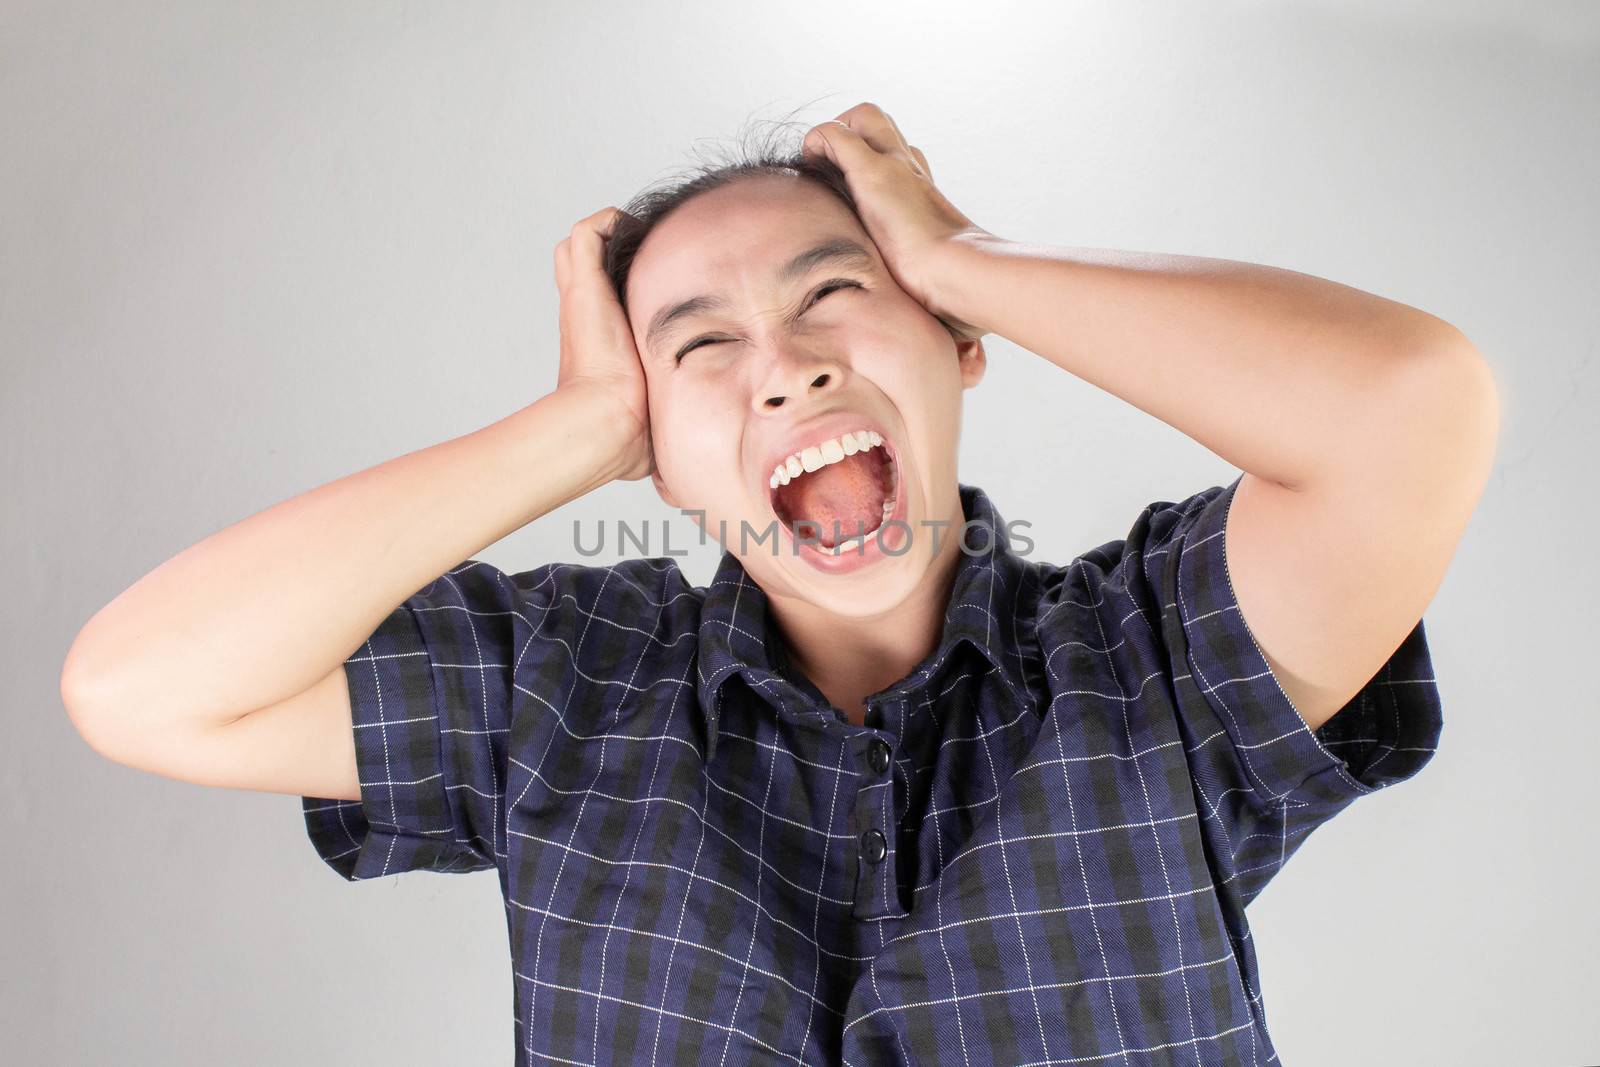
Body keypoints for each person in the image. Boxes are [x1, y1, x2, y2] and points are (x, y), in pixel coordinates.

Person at [60, 102, 1498, 1066]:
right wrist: (568, 433)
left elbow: (1413, 409)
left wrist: (966, 258)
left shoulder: (1160, 658)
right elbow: (140, 688)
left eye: (836, 296)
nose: (788, 364)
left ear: (959, 348)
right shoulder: (560, 686)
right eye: (699, 350)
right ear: (659, 451)